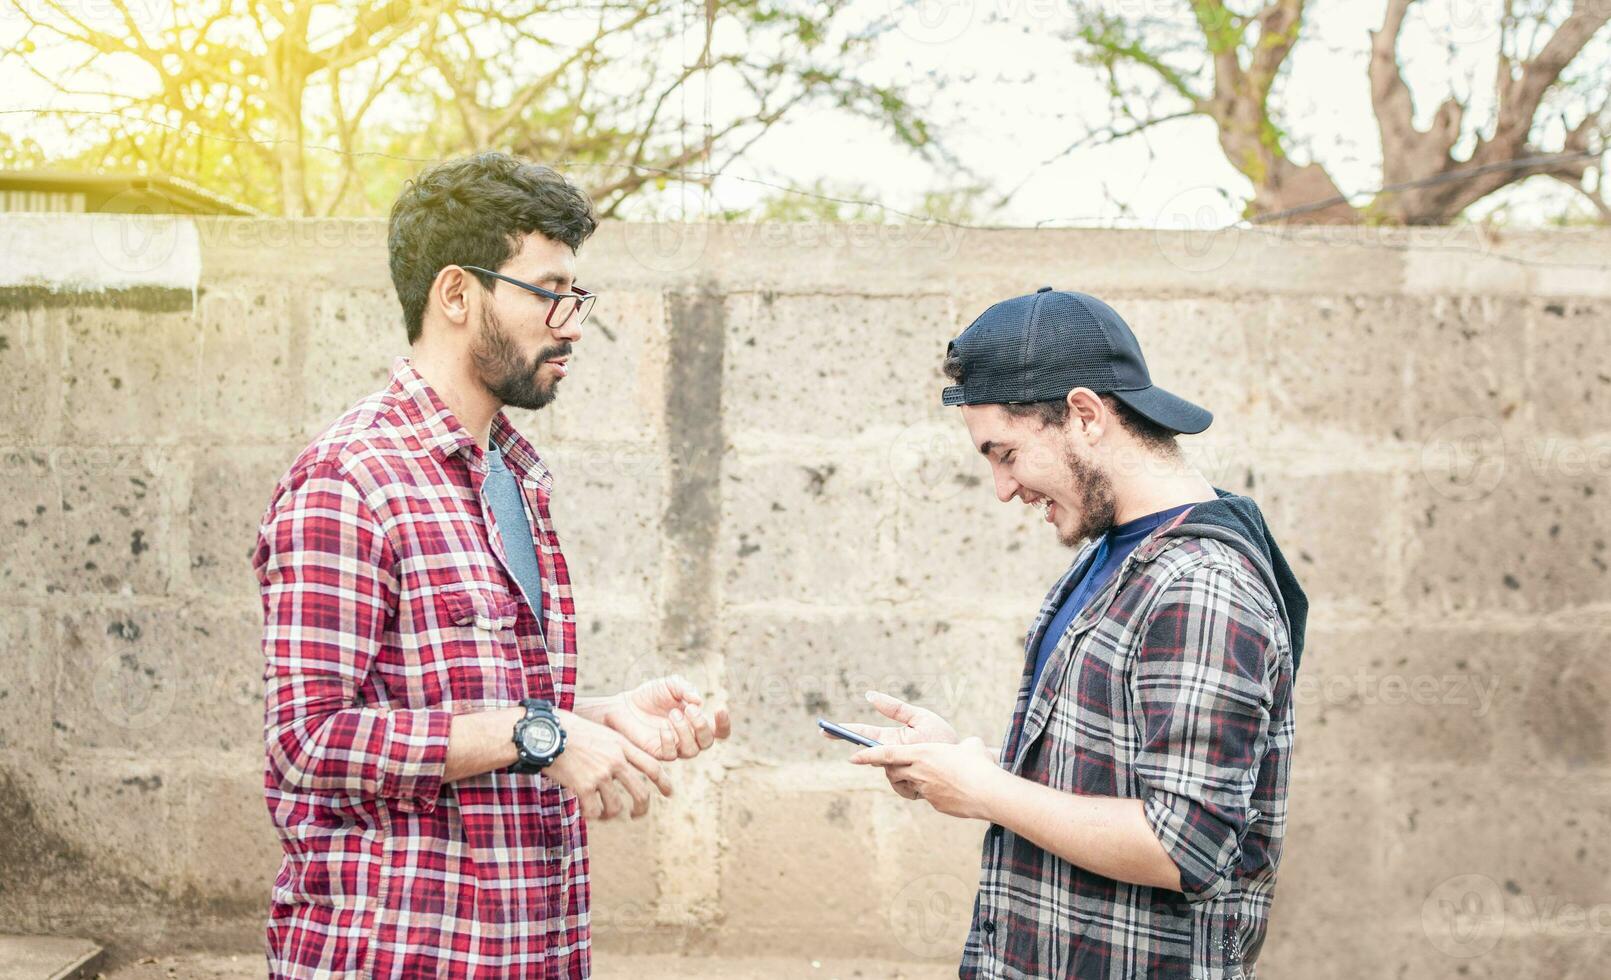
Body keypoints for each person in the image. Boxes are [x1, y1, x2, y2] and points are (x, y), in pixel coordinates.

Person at [254, 152, 730, 979]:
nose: (573, 323)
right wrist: (537, 734)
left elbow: (460, 703)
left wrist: (598, 718)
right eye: (549, 294)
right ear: (455, 293)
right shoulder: (350, 479)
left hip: (524, 945)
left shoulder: (509, 474)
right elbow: (309, 742)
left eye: (576, 297)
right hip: (399, 955)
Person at [842, 287, 1306, 979]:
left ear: (1084, 414)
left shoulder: (1200, 583)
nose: (1002, 488)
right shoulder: (1115, 553)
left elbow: (1183, 844)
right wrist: (963, 764)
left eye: (1005, 453)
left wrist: (984, 792)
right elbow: (1108, 777)